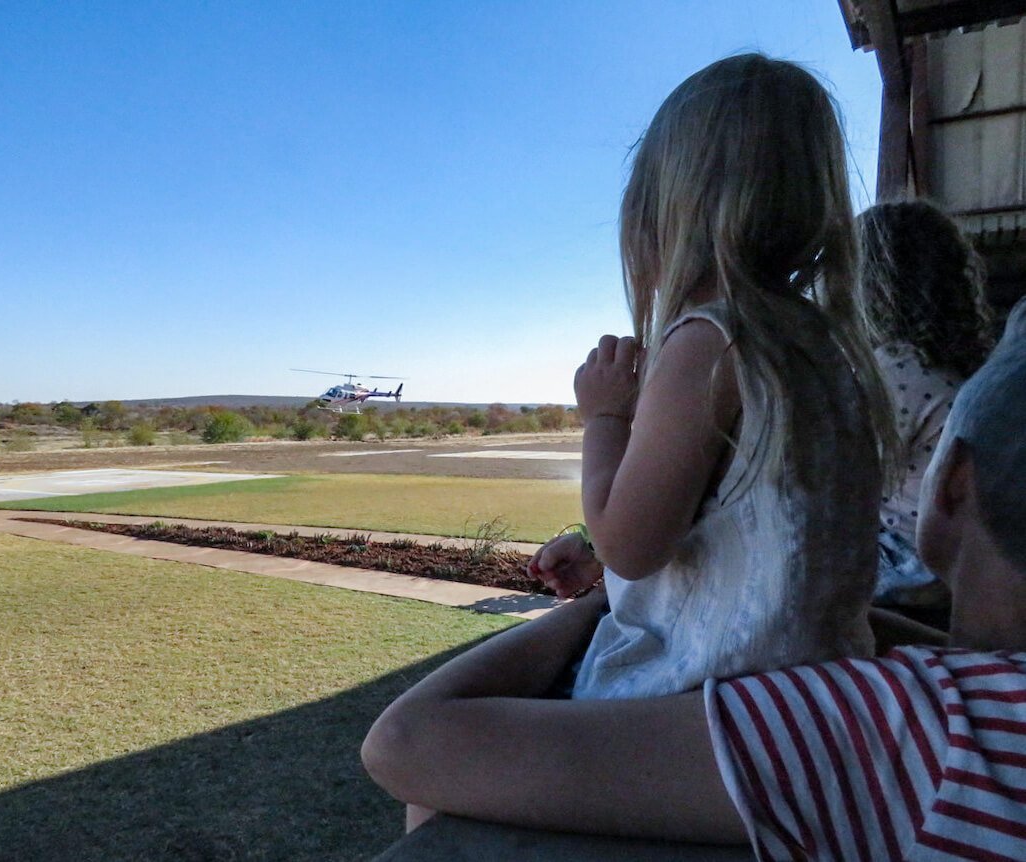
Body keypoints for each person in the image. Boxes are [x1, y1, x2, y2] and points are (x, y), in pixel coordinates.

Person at [361, 296, 1026, 858]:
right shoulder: (978, 684)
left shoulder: (935, 727)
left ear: (957, 480)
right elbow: (863, 625)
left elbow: (405, 742)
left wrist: (605, 607)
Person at [530, 53, 896, 702]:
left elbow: (630, 548)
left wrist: (605, 420)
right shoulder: (814, 339)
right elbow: (741, 531)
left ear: (662, 210)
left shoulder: (709, 340)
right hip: (815, 686)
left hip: (725, 702)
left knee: (412, 737)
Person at [858, 200, 995, 620]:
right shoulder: (952, 368)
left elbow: (840, 483)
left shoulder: (895, 369)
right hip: (955, 563)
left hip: (912, 566)